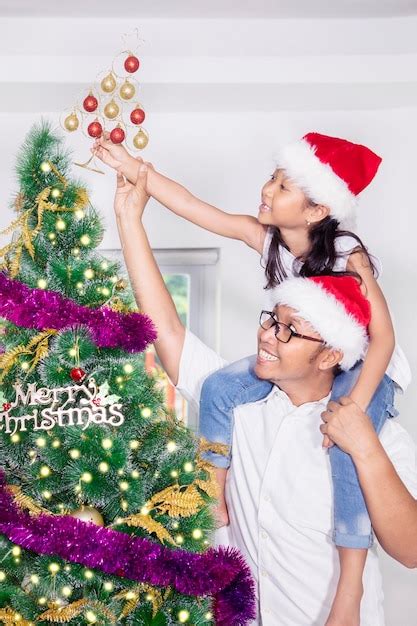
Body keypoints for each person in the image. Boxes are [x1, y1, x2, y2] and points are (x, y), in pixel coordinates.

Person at [92, 131, 411, 624]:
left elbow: (383, 340)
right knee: (219, 386)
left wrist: (355, 423)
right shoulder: (249, 400)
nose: (268, 335)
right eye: (270, 319)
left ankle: (350, 583)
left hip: (367, 372)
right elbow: (196, 224)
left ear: (316, 209)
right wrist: (136, 182)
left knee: (348, 453)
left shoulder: (349, 256)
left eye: (285, 186)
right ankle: (213, 485)